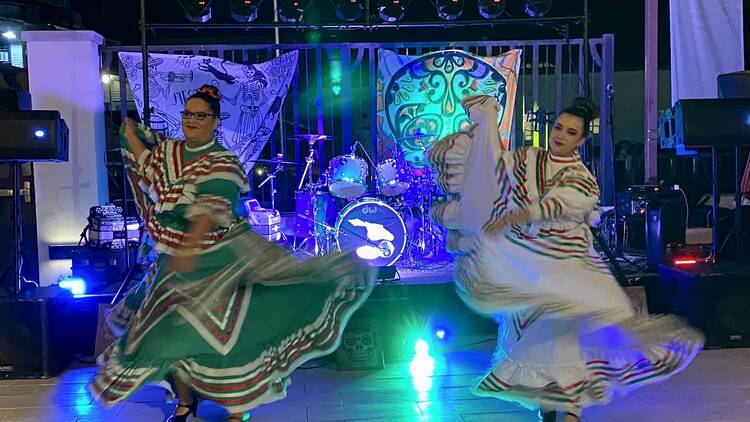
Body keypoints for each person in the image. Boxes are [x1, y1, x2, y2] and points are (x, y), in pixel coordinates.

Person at [88, 85, 374, 421]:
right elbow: (147, 161)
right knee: (164, 335)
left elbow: (210, 210)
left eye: (200, 115)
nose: (191, 120)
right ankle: (185, 403)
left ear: (214, 122)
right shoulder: (170, 153)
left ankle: (238, 408)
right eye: (187, 114)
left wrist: (191, 250)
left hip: (219, 257)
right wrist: (129, 133)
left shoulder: (223, 162)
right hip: (171, 262)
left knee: (232, 335)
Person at [429, 95, 703, 422]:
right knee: (533, 341)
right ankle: (548, 409)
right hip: (529, 261)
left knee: (572, 339)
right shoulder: (526, 159)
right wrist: (486, 124)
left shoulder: (582, 177)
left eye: (571, 132)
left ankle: (571, 412)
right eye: (558, 127)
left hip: (568, 262)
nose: (560, 135)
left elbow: (561, 203)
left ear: (582, 140)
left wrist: (519, 216)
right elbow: (494, 172)